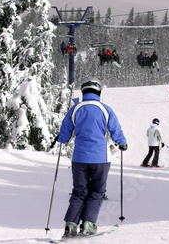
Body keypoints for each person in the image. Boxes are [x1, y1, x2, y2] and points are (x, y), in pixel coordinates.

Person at [57, 77, 128, 238]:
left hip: (79, 158)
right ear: (98, 91)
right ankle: (88, 224)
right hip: (100, 158)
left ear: (83, 91)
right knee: (97, 191)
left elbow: (65, 132)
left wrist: (62, 139)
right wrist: (122, 143)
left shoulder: (75, 109)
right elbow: (115, 129)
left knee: (79, 192)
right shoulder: (105, 109)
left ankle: (70, 225)